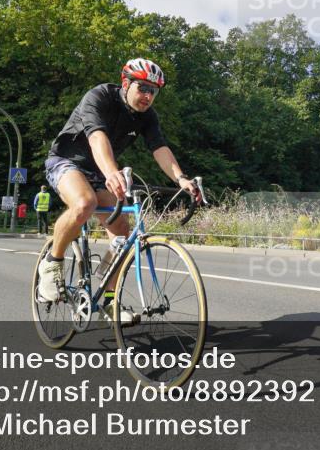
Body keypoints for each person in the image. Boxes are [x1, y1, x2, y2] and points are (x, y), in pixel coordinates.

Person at [38, 58, 200, 319]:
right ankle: (52, 264)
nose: (148, 95)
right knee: (84, 203)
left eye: (154, 91)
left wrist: (181, 179)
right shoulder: (100, 96)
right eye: (143, 88)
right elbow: (96, 136)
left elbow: (159, 147)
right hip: (67, 161)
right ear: (126, 83)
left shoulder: (147, 116)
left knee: (123, 232)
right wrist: (112, 172)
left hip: (100, 171)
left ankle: (109, 301)